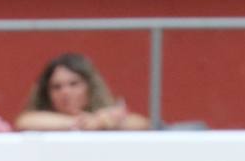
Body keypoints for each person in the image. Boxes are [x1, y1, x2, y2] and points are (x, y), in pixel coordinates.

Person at [15, 53, 148, 131]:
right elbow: (24, 121)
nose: (65, 92)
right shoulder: (39, 119)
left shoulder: (104, 116)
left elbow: (143, 124)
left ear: (90, 87)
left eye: (74, 84)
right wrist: (83, 123)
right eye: (56, 87)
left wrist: (106, 121)